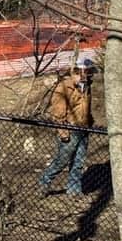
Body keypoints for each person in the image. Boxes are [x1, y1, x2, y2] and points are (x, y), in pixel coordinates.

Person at [39, 59, 95, 196]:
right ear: (74, 73)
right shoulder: (63, 88)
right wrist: (63, 132)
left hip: (84, 129)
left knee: (78, 162)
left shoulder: (87, 86)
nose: (83, 77)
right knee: (61, 161)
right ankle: (43, 182)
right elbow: (57, 113)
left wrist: (90, 123)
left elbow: (86, 108)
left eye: (87, 74)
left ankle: (74, 190)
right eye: (80, 74)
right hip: (69, 130)